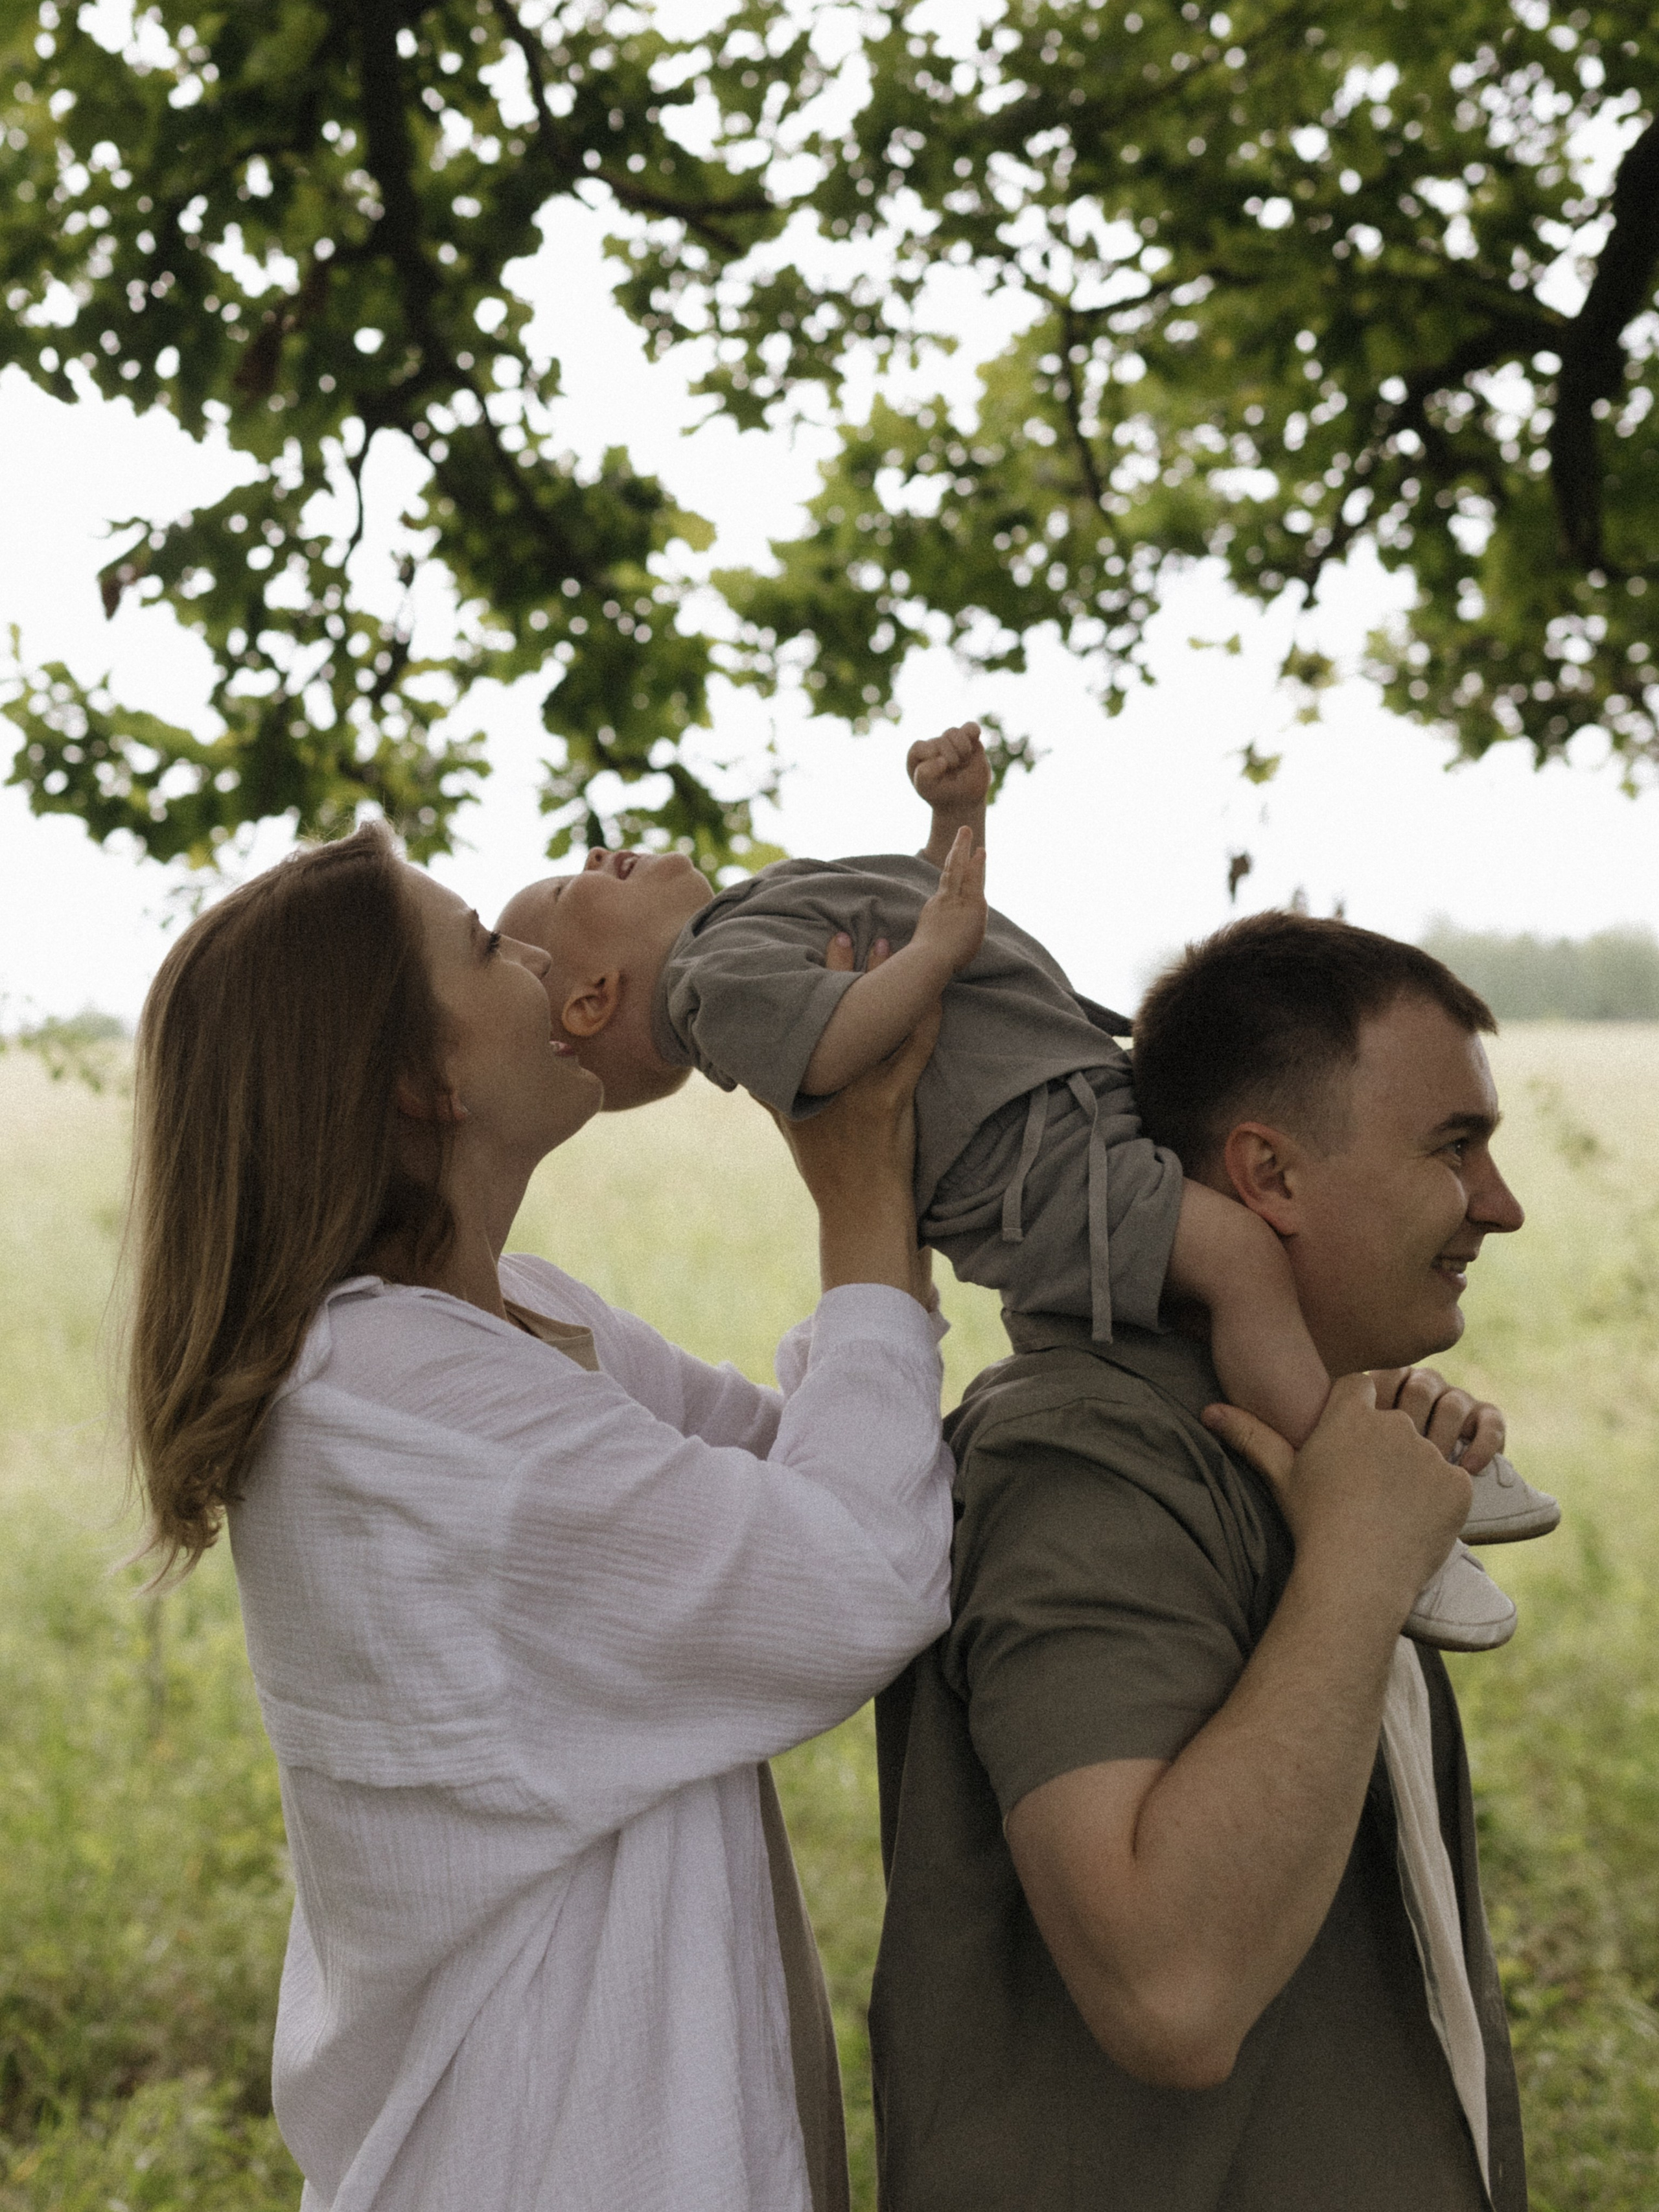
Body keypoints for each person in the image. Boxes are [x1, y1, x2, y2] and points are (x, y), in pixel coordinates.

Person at [124, 821, 958, 2212]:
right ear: (415, 1079)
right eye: (481, 950)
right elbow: (853, 1574)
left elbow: (816, 1472)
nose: (534, 958)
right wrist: (858, 1199)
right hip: (547, 2158)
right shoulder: (393, 1399)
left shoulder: (525, 1320)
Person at [499, 727, 1554, 1649]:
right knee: (1235, 1256)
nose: (592, 852)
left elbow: (920, 907)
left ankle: (1404, 1465)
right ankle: (1354, 1490)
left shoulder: (757, 913)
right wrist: (938, 952)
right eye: (563, 888)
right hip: (1034, 1167)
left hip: (1067, 1120)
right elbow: (833, 1049)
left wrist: (955, 820)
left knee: (1224, 1282)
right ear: (594, 999)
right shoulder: (711, 982)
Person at [868, 911, 1532, 2211]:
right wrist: (1353, 1565)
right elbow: (1166, 1993)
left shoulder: (1328, 1452)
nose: (1496, 1208)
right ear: (1266, 1177)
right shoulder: (1091, 1462)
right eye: (1454, 1149)